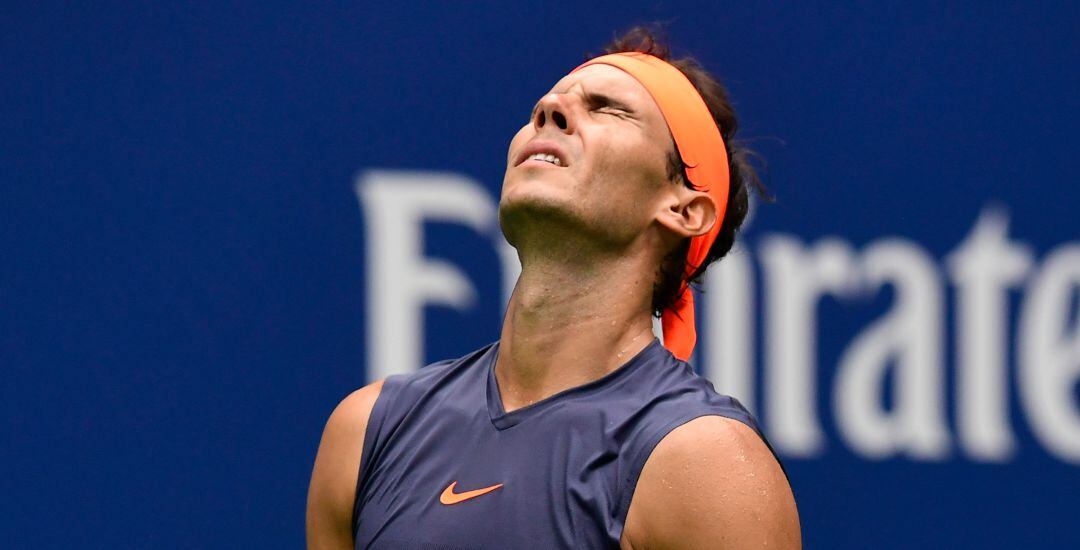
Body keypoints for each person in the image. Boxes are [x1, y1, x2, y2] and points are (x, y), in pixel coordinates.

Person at [307, 28, 801, 549]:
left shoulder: (705, 462)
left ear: (684, 209)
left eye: (608, 109)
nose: (549, 108)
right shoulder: (365, 431)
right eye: (545, 104)